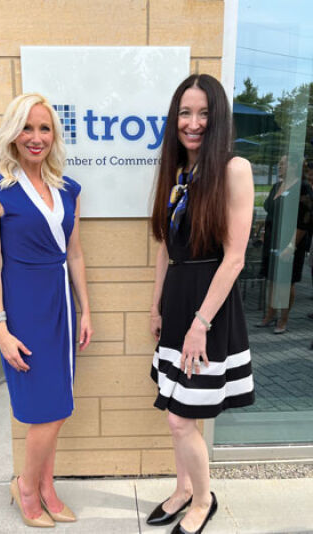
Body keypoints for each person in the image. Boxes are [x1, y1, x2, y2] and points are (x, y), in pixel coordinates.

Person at [0, 93, 93, 527]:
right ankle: (27, 485)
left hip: (60, 305)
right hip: (22, 310)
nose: (36, 137)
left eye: (44, 128)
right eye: (27, 127)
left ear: (54, 135)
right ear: (13, 133)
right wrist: (0, 328)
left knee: (58, 404)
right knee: (46, 408)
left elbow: (75, 254)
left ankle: (46, 485)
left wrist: (86, 310)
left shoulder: (67, 190)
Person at [147, 74, 255, 534]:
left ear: (218, 118)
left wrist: (200, 323)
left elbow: (234, 258)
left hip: (207, 310)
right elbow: (165, 247)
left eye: (203, 113)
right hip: (178, 305)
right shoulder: (178, 173)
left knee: (179, 418)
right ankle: (183, 488)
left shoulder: (234, 169)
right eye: (184, 113)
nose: (192, 123)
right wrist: (156, 307)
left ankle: (203, 500)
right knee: (179, 408)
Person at [256, 156, 313, 333]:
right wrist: (264, 233)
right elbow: (270, 212)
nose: (279, 166)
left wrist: (291, 246)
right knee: (272, 278)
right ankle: (270, 315)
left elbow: (305, 220)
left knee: (286, 281)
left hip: (290, 241)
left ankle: (283, 320)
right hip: (272, 240)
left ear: (295, 166)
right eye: (279, 163)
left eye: (283, 164)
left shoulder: (303, 188)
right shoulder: (276, 186)